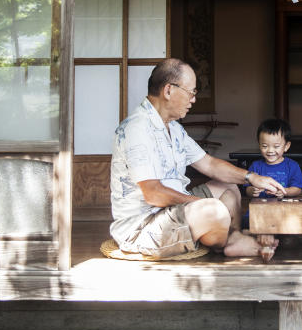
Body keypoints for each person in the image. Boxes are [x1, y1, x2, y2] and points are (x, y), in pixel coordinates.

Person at [109, 58, 284, 258]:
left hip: (174, 210)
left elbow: (209, 164)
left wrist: (251, 177)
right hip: (144, 226)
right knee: (215, 211)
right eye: (191, 92)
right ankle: (227, 241)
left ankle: (231, 237)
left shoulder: (173, 127)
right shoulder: (137, 129)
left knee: (229, 187)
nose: (193, 99)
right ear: (168, 91)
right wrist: (199, 204)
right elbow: (153, 194)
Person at [244, 118, 302, 199]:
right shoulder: (255, 166)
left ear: (286, 146)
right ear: (259, 145)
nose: (270, 150)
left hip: (282, 207)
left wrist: (285, 191)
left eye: (276, 146)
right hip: (260, 207)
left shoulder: (292, 166)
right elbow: (247, 188)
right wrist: (252, 191)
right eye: (264, 146)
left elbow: (297, 189)